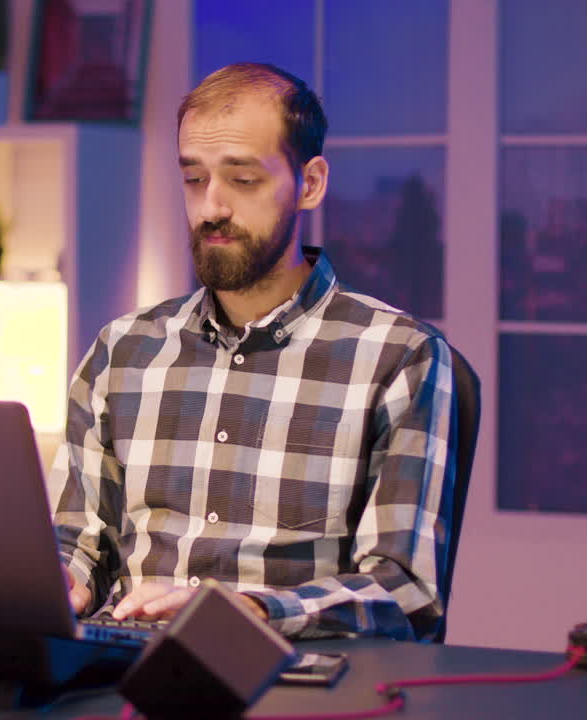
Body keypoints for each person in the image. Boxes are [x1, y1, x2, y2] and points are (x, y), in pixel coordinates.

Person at [47, 62, 457, 642]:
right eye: (194, 179)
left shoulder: (398, 356)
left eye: (242, 180)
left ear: (310, 183)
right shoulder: (123, 350)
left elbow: (403, 590)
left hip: (291, 674)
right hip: (125, 668)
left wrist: (255, 613)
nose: (211, 207)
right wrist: (66, 579)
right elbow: (79, 538)